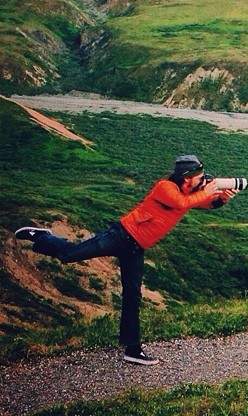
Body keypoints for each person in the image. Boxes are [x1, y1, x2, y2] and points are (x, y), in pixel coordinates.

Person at [14, 155, 236, 365]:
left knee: (132, 297)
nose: (203, 180)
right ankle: (41, 236)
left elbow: (206, 204)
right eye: (200, 177)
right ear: (187, 177)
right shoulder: (165, 187)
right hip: (120, 236)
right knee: (70, 255)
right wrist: (208, 190)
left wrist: (221, 198)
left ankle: (132, 349)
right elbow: (179, 202)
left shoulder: (190, 194)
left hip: (136, 248)